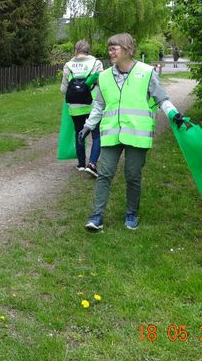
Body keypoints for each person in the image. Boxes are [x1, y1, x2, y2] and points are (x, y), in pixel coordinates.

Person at [77, 33, 185, 232]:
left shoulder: (146, 72)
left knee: (132, 175)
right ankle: (96, 216)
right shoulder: (104, 76)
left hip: (137, 134)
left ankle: (131, 213)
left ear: (128, 49)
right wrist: (88, 126)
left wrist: (174, 114)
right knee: (104, 174)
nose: (110, 52)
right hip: (111, 133)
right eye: (109, 49)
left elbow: (162, 99)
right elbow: (99, 105)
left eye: (114, 48)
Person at [60, 40, 103, 177]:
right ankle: (92, 163)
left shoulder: (68, 65)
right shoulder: (96, 63)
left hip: (74, 106)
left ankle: (80, 164)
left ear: (75, 50)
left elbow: (63, 89)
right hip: (92, 104)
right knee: (96, 135)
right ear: (88, 50)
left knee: (79, 131)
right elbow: (102, 83)